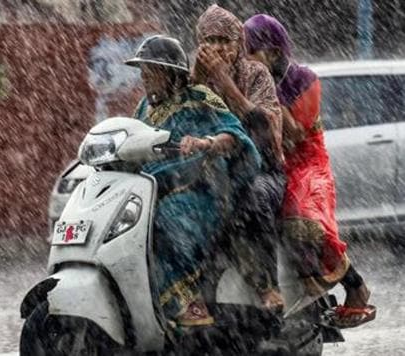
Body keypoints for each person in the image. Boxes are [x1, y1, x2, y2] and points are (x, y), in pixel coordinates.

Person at [243, 14, 376, 328]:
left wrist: (266, 90)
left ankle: (354, 285)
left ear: (273, 52)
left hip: (308, 162)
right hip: (270, 162)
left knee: (302, 213)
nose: (246, 59)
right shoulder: (247, 78)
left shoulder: (303, 79)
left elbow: (295, 134)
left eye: (251, 51)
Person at [124, 35, 261, 329]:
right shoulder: (142, 109)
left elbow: (234, 135)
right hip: (152, 189)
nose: (145, 78)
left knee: (162, 221)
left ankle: (188, 300)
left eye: (151, 71)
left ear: (171, 74)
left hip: (201, 191)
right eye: (143, 71)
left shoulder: (200, 97)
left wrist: (205, 142)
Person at [191, 4, 286, 311]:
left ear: (238, 43)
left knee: (252, 198)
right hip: (209, 170)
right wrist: (197, 81)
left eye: (225, 40)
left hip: (263, 170)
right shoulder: (194, 79)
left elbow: (263, 130)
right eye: (210, 40)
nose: (218, 47)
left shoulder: (256, 74)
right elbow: (178, 119)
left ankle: (267, 286)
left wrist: (224, 81)